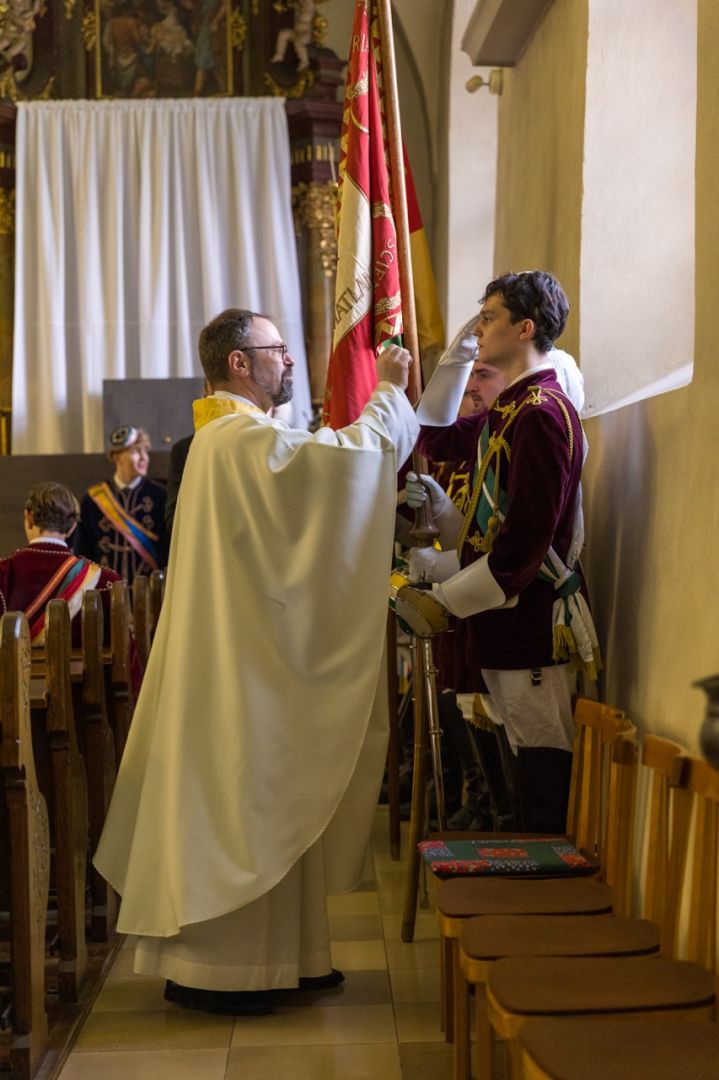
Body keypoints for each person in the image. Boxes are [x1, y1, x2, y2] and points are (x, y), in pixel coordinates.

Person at [94, 307, 418, 1017]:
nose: (291, 362)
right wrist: (388, 392)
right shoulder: (234, 439)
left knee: (271, 791)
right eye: (278, 350)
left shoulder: (239, 438)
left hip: (246, 658)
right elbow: (343, 471)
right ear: (238, 362)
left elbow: (318, 490)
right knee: (247, 795)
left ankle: (291, 957)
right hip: (238, 671)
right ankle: (223, 970)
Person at [396, 271, 600, 834]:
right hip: (499, 616)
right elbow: (432, 435)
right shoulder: (509, 408)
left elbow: (521, 549)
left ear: (525, 327)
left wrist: (443, 594)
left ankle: (542, 900)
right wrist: (458, 357)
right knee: (515, 766)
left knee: (540, 771)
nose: (478, 328)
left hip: (528, 618)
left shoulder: (541, 413)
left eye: (489, 318)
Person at [0, 481, 119, 646]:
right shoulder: (106, 581)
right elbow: (127, 657)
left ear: (28, 518)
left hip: (12, 672)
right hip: (82, 672)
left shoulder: (3, 573)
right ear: (72, 528)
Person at [74, 425, 169, 584]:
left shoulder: (160, 496)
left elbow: (167, 550)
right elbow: (83, 553)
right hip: (104, 592)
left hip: (150, 592)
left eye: (145, 451)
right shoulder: (92, 500)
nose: (144, 457)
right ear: (117, 457)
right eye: (136, 451)